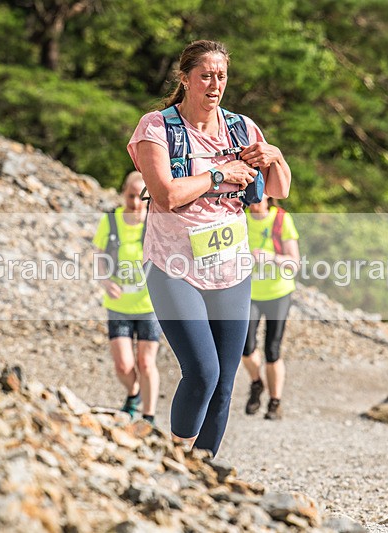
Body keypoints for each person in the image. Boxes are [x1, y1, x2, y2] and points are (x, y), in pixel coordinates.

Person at [127, 40, 291, 456]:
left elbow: (277, 190)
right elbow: (165, 195)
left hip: (231, 267)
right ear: (185, 79)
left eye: (221, 76)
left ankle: (203, 473)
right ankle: (177, 456)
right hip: (173, 265)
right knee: (202, 371)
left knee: (226, 380)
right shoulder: (156, 127)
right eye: (205, 76)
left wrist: (274, 157)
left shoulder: (242, 127)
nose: (215, 84)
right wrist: (219, 175)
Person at [93, 171, 161, 423]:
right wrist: (105, 281)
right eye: (130, 196)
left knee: (146, 363)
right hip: (118, 304)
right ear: (123, 194)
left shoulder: (156, 223)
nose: (135, 202)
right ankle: (134, 394)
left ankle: (149, 416)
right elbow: (98, 257)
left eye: (141, 197)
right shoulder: (110, 221)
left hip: (149, 305)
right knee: (123, 365)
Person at [242, 196, 300, 420]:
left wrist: (272, 257)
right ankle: (257, 383)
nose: (254, 199)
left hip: (279, 293)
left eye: (259, 193)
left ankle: (275, 403)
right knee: (245, 347)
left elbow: (294, 263)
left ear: (268, 196)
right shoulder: (241, 219)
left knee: (272, 350)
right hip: (250, 294)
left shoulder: (281, 219)